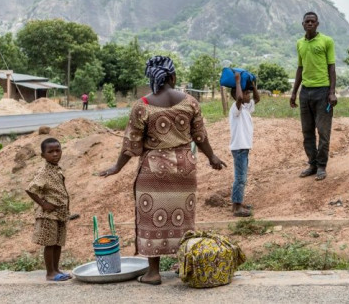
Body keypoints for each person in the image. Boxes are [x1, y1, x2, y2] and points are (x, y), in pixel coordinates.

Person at [99, 55, 226, 285]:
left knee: (151, 219)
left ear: (152, 78)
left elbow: (132, 144)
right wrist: (212, 157)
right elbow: (200, 136)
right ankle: (183, 265)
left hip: (153, 171)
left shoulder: (143, 106)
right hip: (184, 169)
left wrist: (117, 167)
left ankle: (154, 272)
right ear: (173, 76)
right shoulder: (190, 102)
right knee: (183, 219)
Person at [290, 11, 337, 181]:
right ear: (303, 24)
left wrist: (332, 92)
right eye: (307, 21)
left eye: (312, 21)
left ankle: (322, 166)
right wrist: (294, 92)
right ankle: (312, 164)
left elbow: (332, 67)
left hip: (323, 92)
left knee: (323, 132)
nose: (309, 24)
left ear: (317, 24)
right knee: (307, 132)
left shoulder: (327, 41)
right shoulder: (299, 43)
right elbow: (300, 69)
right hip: (305, 92)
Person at [25, 137, 72, 282]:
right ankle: (50, 272)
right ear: (43, 155)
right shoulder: (44, 171)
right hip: (48, 215)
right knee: (50, 243)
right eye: (50, 152)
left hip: (60, 214)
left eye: (58, 150)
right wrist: (43, 203)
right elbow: (30, 189)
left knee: (58, 243)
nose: (55, 154)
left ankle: (56, 269)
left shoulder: (57, 169)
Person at [229, 71, 260, 217]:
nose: (248, 96)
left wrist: (253, 86)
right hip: (239, 148)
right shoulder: (236, 109)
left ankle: (239, 202)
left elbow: (258, 99)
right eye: (246, 93)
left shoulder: (246, 108)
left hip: (244, 147)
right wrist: (237, 81)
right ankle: (236, 207)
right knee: (240, 178)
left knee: (242, 177)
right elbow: (240, 97)